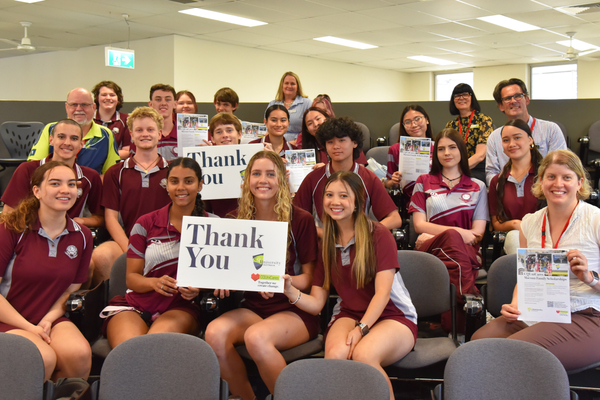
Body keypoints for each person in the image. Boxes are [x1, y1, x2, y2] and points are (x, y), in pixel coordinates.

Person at [283, 171, 417, 400]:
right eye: (329, 195)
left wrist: (361, 329)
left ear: (356, 202)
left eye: (343, 196)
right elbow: (316, 304)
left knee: (364, 355)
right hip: (349, 312)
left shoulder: (379, 234)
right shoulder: (326, 243)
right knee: (335, 358)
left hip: (393, 315)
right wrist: (289, 290)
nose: (335, 202)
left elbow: (383, 294)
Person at [204, 151, 319, 400]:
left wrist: (281, 282)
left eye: (270, 174)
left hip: (293, 310)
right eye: (256, 173)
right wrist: (223, 279)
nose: (262, 180)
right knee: (214, 333)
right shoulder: (235, 220)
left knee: (255, 338)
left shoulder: (300, 219)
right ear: (246, 180)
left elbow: (307, 279)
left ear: (281, 180)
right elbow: (236, 272)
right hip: (254, 308)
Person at [472, 150, 600, 372]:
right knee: (477, 345)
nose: (558, 184)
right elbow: (526, 278)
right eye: (551, 177)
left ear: (579, 183)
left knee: (510, 354)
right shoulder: (530, 223)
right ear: (541, 181)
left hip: (586, 314)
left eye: (566, 177)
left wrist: (590, 278)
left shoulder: (595, 220)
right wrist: (515, 303)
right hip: (541, 312)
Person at [0, 161, 93, 381]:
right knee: (42, 357)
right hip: (8, 318)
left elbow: (71, 289)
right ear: (37, 191)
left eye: (71, 184)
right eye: (55, 183)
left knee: (79, 354)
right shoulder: (11, 228)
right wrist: (29, 328)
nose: (65, 190)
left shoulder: (83, 235)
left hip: (46, 316)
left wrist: (48, 320)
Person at [104, 157, 210, 348]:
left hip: (181, 308)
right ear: (166, 185)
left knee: (154, 347)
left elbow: (223, 277)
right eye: (174, 181)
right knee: (128, 351)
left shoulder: (215, 226)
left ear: (200, 185)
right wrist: (155, 283)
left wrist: (199, 288)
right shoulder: (145, 223)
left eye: (189, 181)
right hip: (135, 304)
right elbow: (131, 279)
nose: (181, 187)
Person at [409, 128, 488, 331]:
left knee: (452, 261)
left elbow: (477, 234)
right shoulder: (423, 182)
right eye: (441, 149)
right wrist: (459, 232)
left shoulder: (477, 186)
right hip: (431, 250)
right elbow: (419, 225)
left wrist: (435, 232)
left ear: (461, 150)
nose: (447, 153)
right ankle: (471, 299)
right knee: (453, 236)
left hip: (465, 251)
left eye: (452, 147)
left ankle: (450, 328)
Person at [90, 107, 171, 284]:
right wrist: (131, 250)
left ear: (159, 134)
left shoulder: (173, 170)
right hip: (126, 241)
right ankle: (112, 304)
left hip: (167, 243)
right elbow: (110, 218)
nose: (145, 134)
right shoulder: (115, 172)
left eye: (150, 130)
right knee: (100, 256)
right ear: (132, 136)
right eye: (139, 130)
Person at [295, 117, 402, 237]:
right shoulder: (313, 178)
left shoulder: (368, 177)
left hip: (358, 245)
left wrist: (363, 232)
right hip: (323, 246)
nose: (335, 146)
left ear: (355, 143)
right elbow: (296, 218)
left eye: (341, 140)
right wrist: (324, 235)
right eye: (330, 142)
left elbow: (394, 219)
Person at [1, 118, 104, 228]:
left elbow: (100, 217)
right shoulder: (27, 169)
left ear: (81, 144)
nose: (67, 143)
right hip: (30, 235)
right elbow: (8, 213)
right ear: (51, 140)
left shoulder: (90, 177)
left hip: (70, 239)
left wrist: (80, 221)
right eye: (61, 137)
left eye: (74, 138)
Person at [485, 78, 567, 185]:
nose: (513, 101)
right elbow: (491, 172)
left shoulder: (550, 130)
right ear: (501, 106)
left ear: (527, 100)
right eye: (507, 98)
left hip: (544, 191)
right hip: (508, 192)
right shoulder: (495, 137)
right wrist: (507, 189)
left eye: (518, 96)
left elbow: (561, 165)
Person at [28, 88, 120, 175]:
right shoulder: (51, 129)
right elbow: (36, 167)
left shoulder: (106, 135)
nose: (79, 109)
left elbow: (110, 174)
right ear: (66, 107)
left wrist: (89, 183)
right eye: (74, 105)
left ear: (93, 107)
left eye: (84, 104)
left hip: (91, 188)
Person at [488, 119, 544, 254]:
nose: (512, 144)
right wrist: (515, 225)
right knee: (514, 238)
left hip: (546, 236)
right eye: (506, 140)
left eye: (517, 138)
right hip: (515, 238)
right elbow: (496, 223)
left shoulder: (547, 176)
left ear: (530, 140)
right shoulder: (497, 181)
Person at [445, 83, 493, 183]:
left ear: (471, 97)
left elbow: (480, 155)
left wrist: (458, 170)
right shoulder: (451, 125)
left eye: (465, 94)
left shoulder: (484, 120)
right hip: (454, 167)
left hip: (477, 170)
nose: (461, 98)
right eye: (457, 96)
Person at [386, 105, 434, 206]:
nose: (413, 124)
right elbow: (389, 183)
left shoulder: (440, 147)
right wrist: (394, 181)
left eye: (417, 119)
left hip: (437, 198)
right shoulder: (395, 149)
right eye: (408, 122)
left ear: (427, 120)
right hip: (410, 202)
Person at [203, 112, 244, 218]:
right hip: (218, 222)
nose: (225, 135)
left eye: (229, 130)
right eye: (219, 132)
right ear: (212, 138)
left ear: (239, 134)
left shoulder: (255, 159)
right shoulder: (205, 163)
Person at [299, 107, 368, 167]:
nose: (316, 124)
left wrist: (327, 169)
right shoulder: (306, 149)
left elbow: (360, 170)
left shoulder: (347, 140)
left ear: (327, 118)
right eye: (310, 123)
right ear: (307, 130)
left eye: (318, 119)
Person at [130, 84, 178, 161]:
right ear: (150, 104)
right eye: (158, 99)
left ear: (175, 104)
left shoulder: (184, 134)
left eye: (168, 99)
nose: (163, 103)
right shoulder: (141, 134)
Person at [267, 71, 312, 142]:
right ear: (282, 85)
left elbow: (310, 127)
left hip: (299, 144)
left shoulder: (306, 103)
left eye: (292, 84)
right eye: (286, 83)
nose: (289, 86)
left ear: (298, 86)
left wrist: (296, 141)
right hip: (276, 143)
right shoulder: (272, 104)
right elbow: (268, 127)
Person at [92, 80, 131, 159]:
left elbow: (127, 151)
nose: (108, 98)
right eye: (104, 95)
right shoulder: (88, 119)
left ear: (118, 98)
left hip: (116, 166)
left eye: (112, 95)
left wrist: (102, 155)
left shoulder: (127, 120)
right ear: (97, 97)